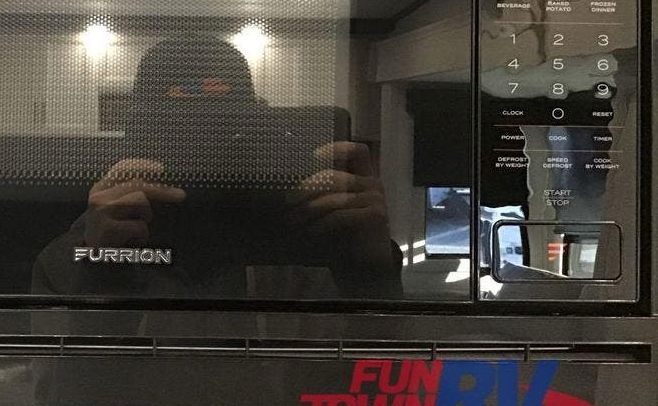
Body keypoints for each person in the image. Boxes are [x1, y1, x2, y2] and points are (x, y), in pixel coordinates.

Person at [31, 33, 402, 299]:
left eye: (221, 123)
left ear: (255, 125)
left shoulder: (304, 226)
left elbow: (375, 376)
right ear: (141, 136)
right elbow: (59, 383)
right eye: (178, 123)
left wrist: (370, 268)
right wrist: (100, 266)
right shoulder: (102, 234)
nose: (202, 152)